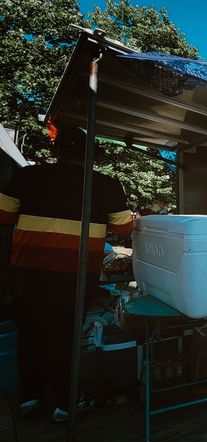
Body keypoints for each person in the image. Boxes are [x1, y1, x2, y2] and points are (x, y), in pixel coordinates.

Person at [0, 127, 133, 423]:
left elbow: (3, 214)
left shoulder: (28, 176)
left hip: (27, 275)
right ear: (90, 155)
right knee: (65, 338)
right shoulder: (105, 184)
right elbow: (124, 227)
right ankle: (65, 402)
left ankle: (30, 398)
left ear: (57, 151)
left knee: (30, 335)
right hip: (73, 278)